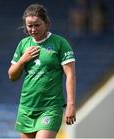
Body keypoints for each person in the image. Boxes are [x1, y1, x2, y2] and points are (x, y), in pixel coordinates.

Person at [8, 4, 76, 138]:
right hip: (27, 107)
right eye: (29, 26)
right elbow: (12, 76)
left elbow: (70, 75)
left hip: (50, 108)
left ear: (47, 23)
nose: (33, 29)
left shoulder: (60, 43)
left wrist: (71, 104)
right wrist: (22, 60)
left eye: (37, 25)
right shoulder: (23, 44)